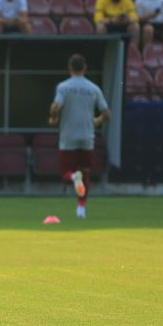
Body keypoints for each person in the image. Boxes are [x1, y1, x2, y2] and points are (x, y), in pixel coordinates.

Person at [48, 53, 110, 219]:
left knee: (66, 173)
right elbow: (106, 113)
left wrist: (53, 116)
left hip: (69, 136)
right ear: (85, 68)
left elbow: (56, 107)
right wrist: (97, 121)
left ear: (70, 68)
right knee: (86, 173)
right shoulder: (93, 88)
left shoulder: (63, 87)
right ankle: (81, 209)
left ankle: (74, 177)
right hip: (87, 136)